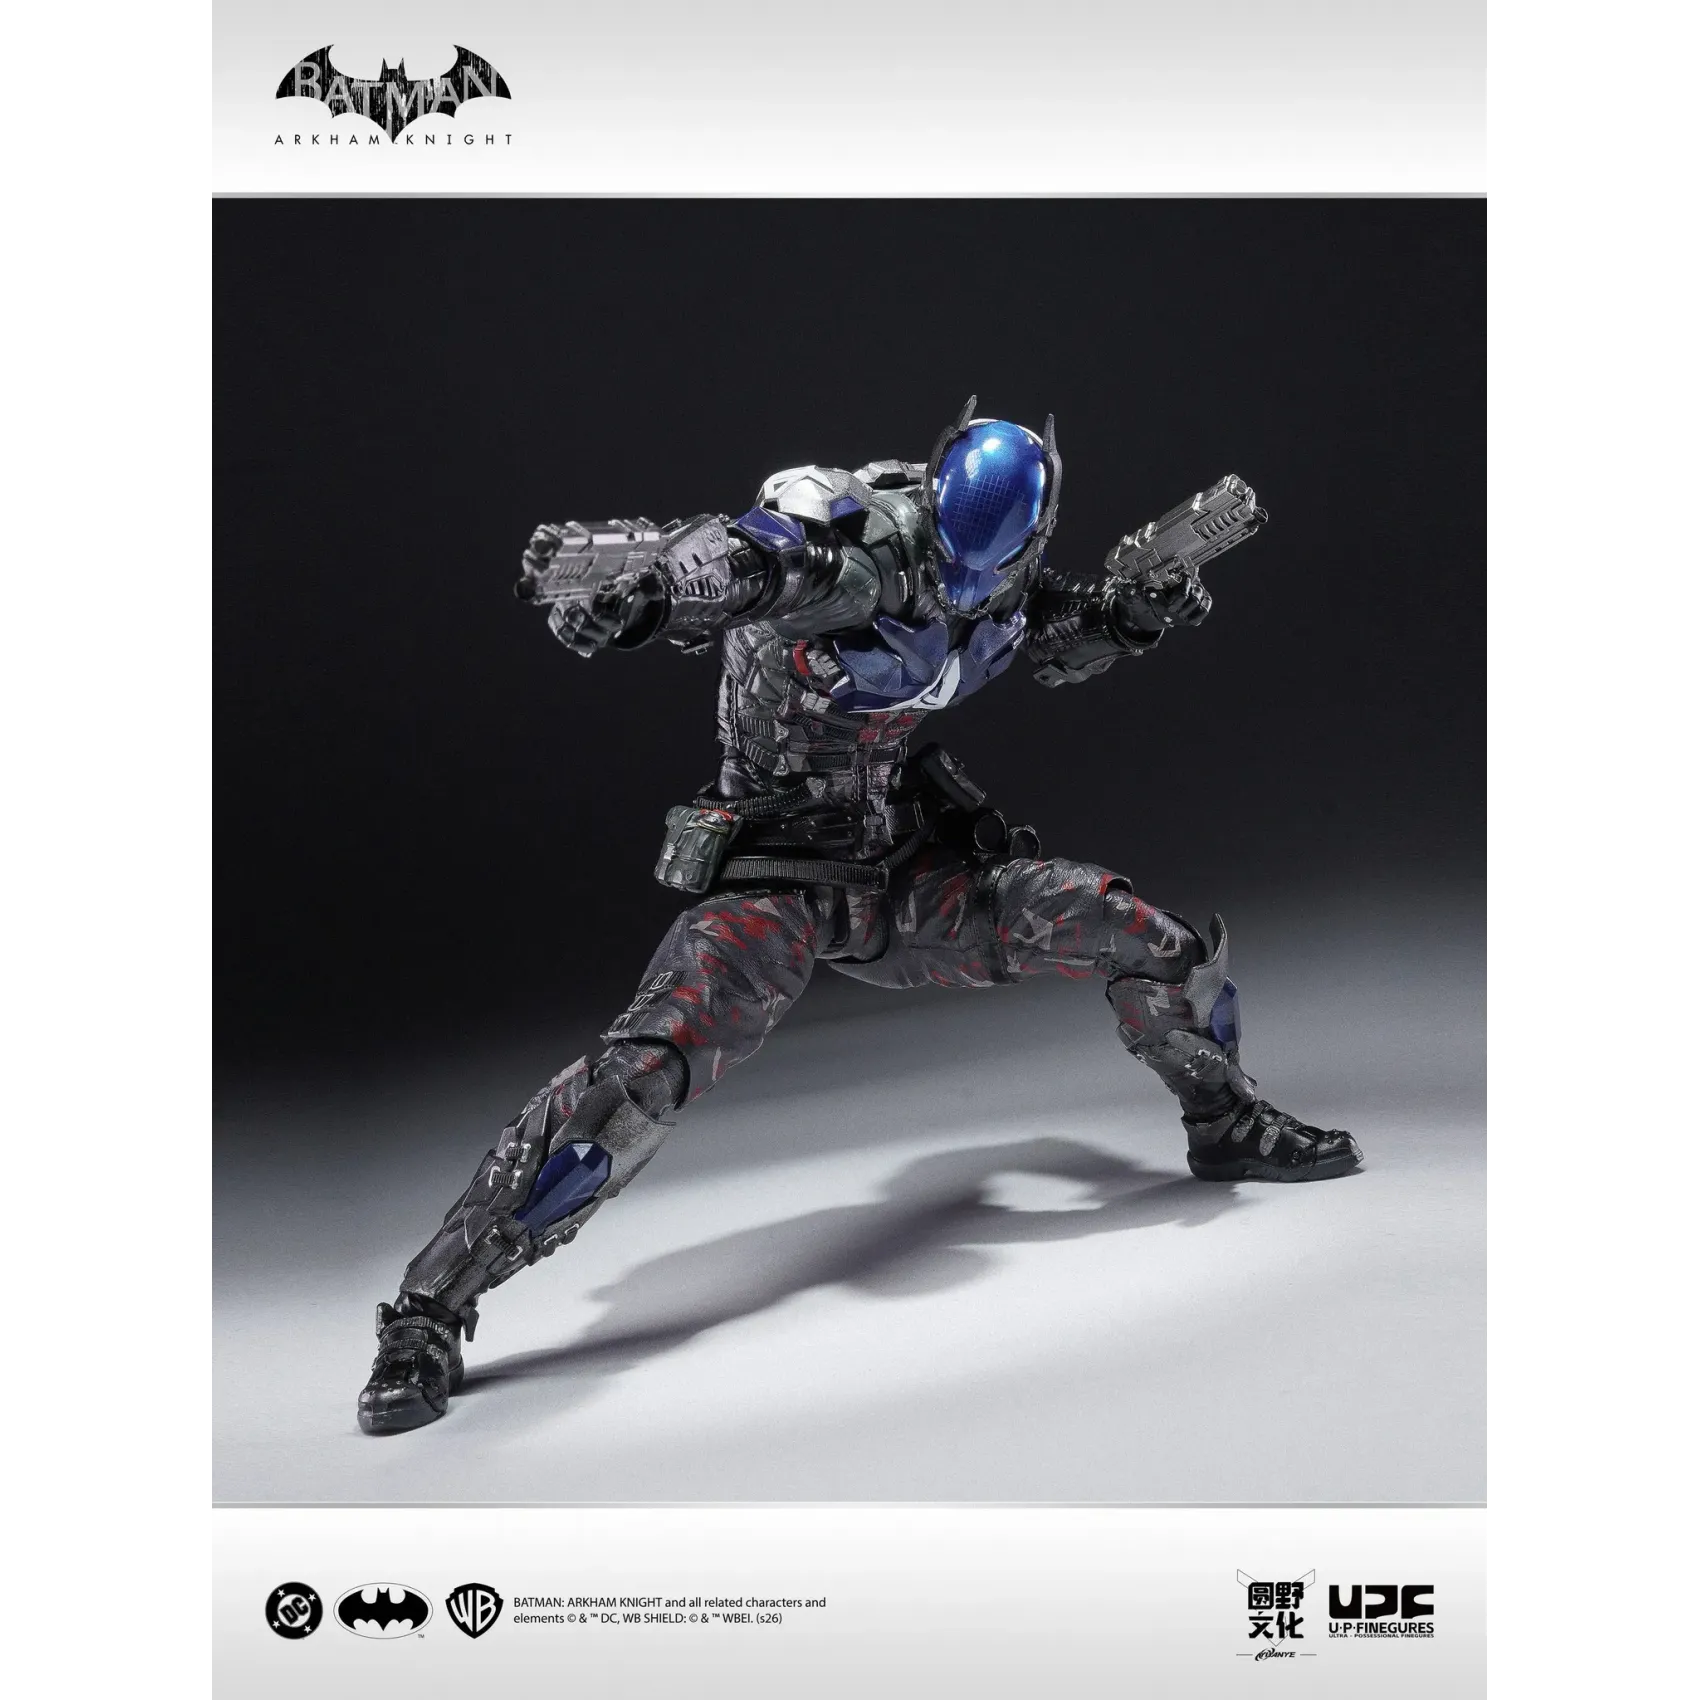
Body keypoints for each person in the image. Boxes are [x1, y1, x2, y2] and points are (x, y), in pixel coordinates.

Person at [357, 400, 1360, 1434]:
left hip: (905, 879)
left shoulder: (1003, 575)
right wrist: (648, 594)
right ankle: (428, 1309)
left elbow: (1056, 632)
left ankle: (1225, 1123)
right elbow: (748, 562)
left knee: (1143, 935)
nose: (967, 584)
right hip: (777, 883)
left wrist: (1136, 609)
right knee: (638, 1078)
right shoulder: (852, 545)